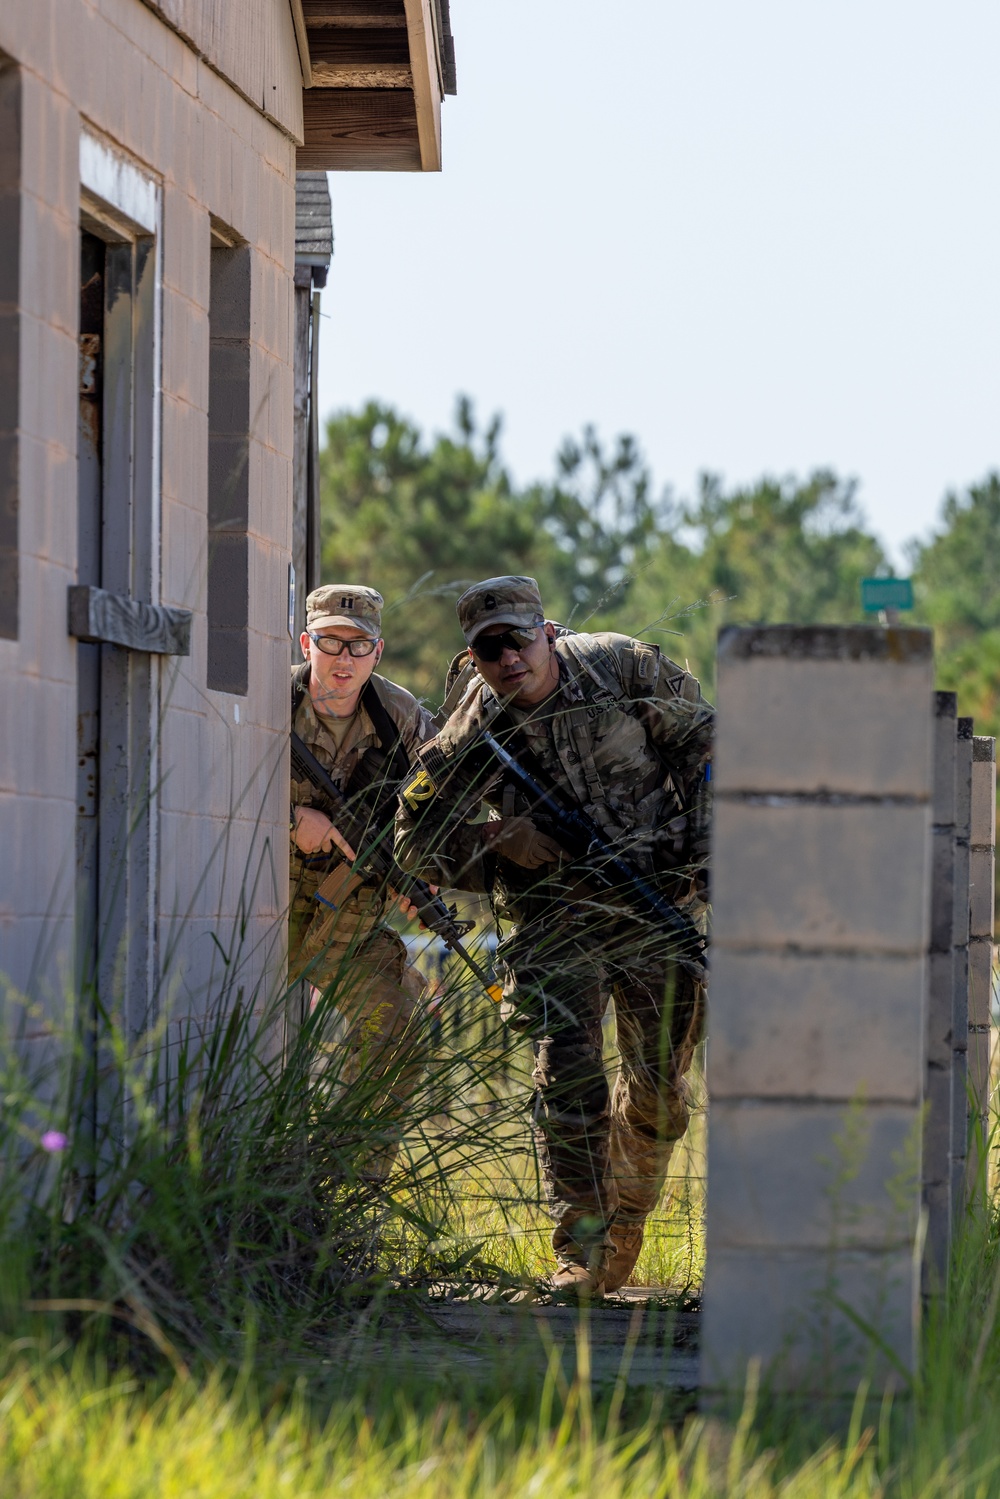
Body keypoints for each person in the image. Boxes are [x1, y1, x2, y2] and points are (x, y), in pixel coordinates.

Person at [394, 576, 713, 1294]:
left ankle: (626, 1213)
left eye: (518, 637)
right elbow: (412, 835)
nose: (508, 657)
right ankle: (583, 1244)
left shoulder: (622, 668)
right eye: (488, 647)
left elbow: (709, 744)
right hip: (556, 917)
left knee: (660, 1088)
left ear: (546, 632)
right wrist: (499, 839)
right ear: (473, 658)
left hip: (655, 899)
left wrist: (710, 851)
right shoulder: (472, 729)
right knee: (568, 1077)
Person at [289, 584, 436, 1173]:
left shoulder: (403, 720)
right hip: (258, 912)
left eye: (359, 646)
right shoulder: (267, 698)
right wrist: (288, 820)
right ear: (307, 643)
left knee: (400, 1022)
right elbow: (204, 779)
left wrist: (416, 869)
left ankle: (342, 1177)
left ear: (378, 652)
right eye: (330, 642)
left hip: (344, 923)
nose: (343, 659)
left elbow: (442, 806)